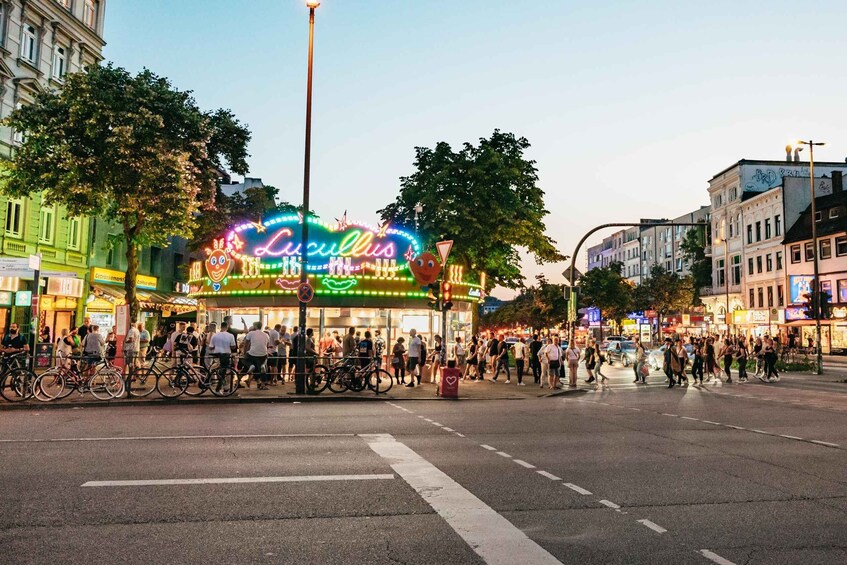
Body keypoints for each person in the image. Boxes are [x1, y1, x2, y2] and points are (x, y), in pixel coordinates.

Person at [243, 322, 270, 390]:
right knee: (261, 368)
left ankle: (251, 365)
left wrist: (244, 352)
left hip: (253, 353)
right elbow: (267, 345)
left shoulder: (251, 333)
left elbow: (246, 344)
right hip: (263, 354)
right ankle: (262, 384)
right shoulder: (266, 335)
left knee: (244, 359)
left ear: (255, 326)